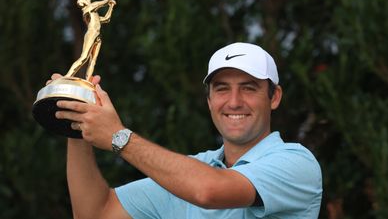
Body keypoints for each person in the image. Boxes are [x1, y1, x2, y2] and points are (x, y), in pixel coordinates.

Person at [53, 42, 322, 218]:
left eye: (249, 88)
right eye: (222, 89)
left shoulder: (296, 163)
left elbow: (208, 191)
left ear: (274, 97)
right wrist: (77, 120)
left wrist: (118, 137)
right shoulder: (190, 171)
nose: (234, 101)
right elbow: (95, 213)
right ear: (209, 101)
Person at [65, 0, 116, 81]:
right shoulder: (87, 9)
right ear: (82, 3)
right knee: (84, 57)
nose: (89, 0)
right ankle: (68, 76)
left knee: (93, 61)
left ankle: (88, 80)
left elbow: (106, 19)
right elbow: (97, 4)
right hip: (91, 34)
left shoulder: (93, 13)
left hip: (98, 36)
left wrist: (111, 7)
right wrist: (107, 1)